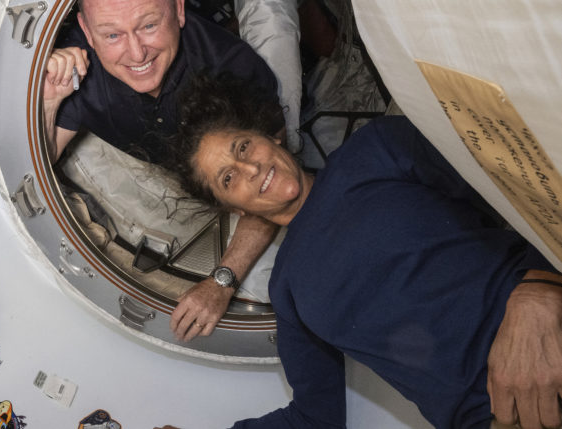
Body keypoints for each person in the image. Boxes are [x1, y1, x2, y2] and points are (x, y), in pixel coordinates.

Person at [157, 74, 562, 429]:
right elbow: (315, 419)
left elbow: (524, 184)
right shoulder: (287, 291)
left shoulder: (375, 149)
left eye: (243, 147)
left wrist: (539, 290)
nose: (250, 170)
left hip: (545, 325)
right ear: (236, 208)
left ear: (271, 135)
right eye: (229, 178)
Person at [42, 0, 287, 341]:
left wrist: (222, 280)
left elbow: (275, 186)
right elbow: (43, 158)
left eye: (149, 26)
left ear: (180, 10)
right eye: (112, 34)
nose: (136, 52)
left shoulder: (233, 70)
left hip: (232, 166)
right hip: (153, 162)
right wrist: (52, 100)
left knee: (272, 287)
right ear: (87, 31)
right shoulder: (76, 63)